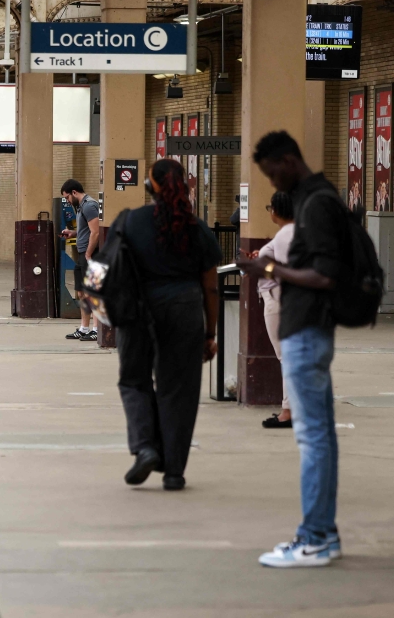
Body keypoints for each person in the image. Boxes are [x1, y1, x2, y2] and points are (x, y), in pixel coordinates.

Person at [239, 131, 344, 568]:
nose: (272, 184)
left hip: (305, 328)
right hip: (309, 327)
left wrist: (265, 266)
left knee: (312, 435)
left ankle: (315, 537)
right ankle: (324, 533)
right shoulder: (318, 199)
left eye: (271, 173)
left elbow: (324, 276)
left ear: (286, 160)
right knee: (319, 433)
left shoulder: (315, 205)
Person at [117, 159, 221, 491]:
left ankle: (146, 447)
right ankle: (174, 471)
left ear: (151, 188)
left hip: (138, 311)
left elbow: (105, 267)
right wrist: (210, 334)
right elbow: (210, 287)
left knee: (134, 380)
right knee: (179, 390)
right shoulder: (197, 228)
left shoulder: (132, 221)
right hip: (185, 310)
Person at [255, 192, 295, 429]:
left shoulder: (287, 235)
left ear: (277, 210)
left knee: (287, 357)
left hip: (279, 300)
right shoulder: (295, 232)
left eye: (270, 207)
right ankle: (291, 409)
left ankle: (288, 413)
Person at [60, 179, 100, 341]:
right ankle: (84, 328)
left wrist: (89, 254)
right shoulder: (81, 206)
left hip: (89, 255)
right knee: (81, 292)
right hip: (82, 253)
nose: (68, 201)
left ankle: (97, 329)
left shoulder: (90, 205)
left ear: (74, 192)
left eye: (67, 197)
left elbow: (95, 232)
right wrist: (73, 233)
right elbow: (85, 229)